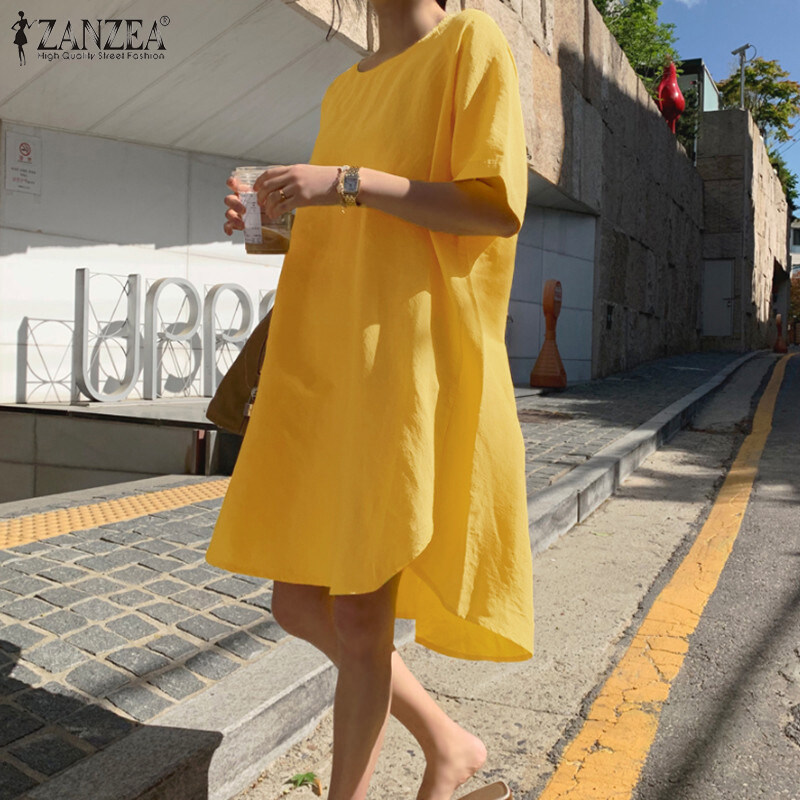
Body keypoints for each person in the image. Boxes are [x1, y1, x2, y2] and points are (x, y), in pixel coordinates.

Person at [205, 1, 534, 798]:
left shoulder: (469, 42)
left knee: (358, 615)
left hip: (406, 365)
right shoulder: (346, 88)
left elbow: (494, 206)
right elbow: (355, 230)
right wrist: (274, 225)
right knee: (297, 601)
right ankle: (449, 744)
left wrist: (345, 182)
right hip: (331, 369)